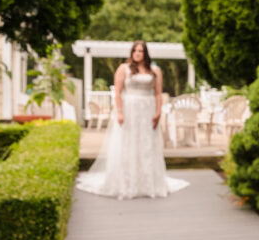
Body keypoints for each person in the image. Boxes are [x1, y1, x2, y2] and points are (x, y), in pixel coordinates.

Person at [76, 41, 188, 199]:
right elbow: (118, 92)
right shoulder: (124, 69)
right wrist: (120, 112)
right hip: (129, 109)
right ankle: (127, 181)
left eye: (141, 51)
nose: (137, 53)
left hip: (147, 110)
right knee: (128, 143)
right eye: (135, 50)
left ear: (145, 53)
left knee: (147, 144)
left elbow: (157, 93)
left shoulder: (155, 71)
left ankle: (148, 182)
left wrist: (158, 112)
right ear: (131, 53)